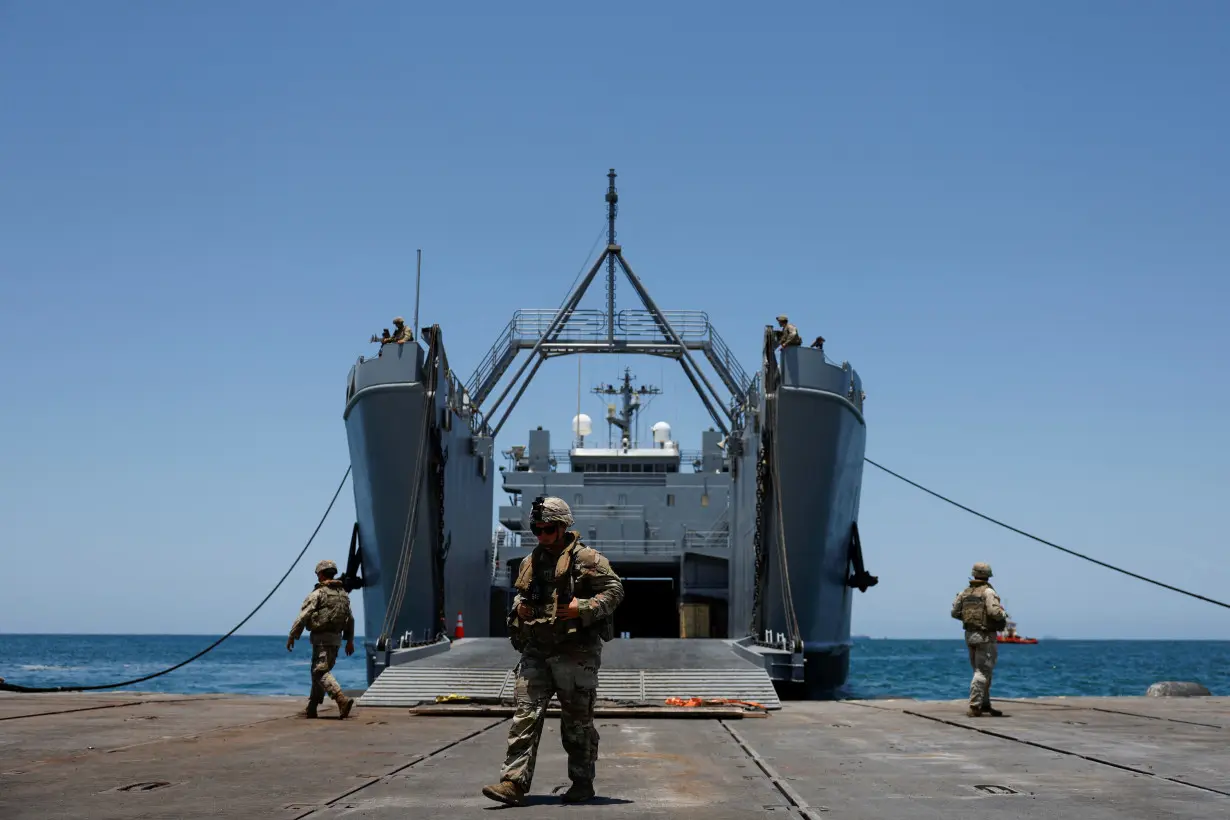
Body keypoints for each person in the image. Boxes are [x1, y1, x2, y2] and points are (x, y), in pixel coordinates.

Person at [482, 496, 625, 806]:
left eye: (548, 529)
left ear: (562, 528)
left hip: (576, 652)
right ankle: (513, 783)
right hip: (537, 650)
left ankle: (582, 782)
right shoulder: (529, 562)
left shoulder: (588, 560)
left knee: (576, 724)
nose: (542, 536)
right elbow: (521, 598)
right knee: (524, 716)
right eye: (537, 529)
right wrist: (518, 610)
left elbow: (615, 590)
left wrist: (581, 607)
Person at [287, 559, 356, 719]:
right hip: (336, 641)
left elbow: (304, 616)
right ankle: (312, 707)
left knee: (319, 672)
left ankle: (341, 700)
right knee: (318, 672)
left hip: (322, 640)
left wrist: (292, 635)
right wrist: (350, 640)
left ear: (322, 575)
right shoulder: (343, 595)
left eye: (318, 574)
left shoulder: (318, 594)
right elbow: (350, 619)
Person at [950, 562, 1007, 717]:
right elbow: (994, 612)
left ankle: (985, 704)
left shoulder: (964, 592)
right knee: (982, 671)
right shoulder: (988, 592)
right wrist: (1003, 615)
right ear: (988, 575)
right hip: (985, 636)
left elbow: (954, 613)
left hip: (969, 635)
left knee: (982, 670)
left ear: (974, 574)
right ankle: (975, 706)